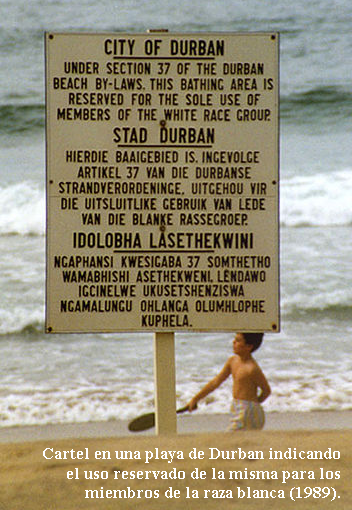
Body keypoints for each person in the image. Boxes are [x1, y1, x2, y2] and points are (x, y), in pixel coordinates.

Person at [187, 332, 271, 431]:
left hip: (248, 410)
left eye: (238, 340)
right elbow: (215, 382)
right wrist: (195, 399)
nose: (233, 342)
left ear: (249, 346)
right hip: (236, 407)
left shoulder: (252, 369)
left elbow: (266, 390)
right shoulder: (232, 361)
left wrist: (253, 404)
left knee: (230, 439)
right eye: (235, 339)